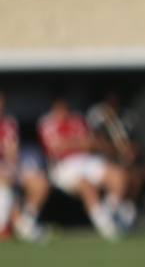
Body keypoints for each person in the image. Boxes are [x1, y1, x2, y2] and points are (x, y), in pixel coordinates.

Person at [37, 95, 127, 240]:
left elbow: (91, 142)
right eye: (59, 108)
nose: (63, 111)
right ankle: (106, 227)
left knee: (118, 175)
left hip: (86, 160)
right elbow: (55, 148)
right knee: (86, 185)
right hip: (64, 166)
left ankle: (108, 212)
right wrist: (79, 143)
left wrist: (75, 143)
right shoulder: (47, 123)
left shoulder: (77, 120)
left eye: (65, 107)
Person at [0, 92, 50, 242]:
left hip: (10, 167)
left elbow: (12, 151)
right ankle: (7, 227)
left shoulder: (9, 123)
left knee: (40, 183)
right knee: (4, 180)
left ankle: (25, 223)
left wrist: (11, 162)